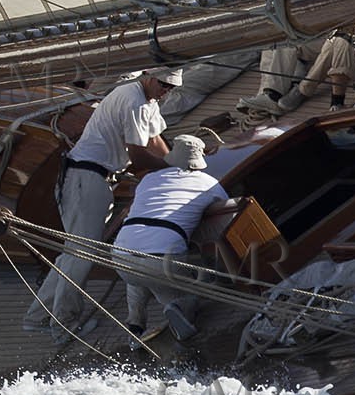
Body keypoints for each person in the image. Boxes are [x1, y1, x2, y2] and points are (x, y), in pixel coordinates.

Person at [24, 68, 178, 335]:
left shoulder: (148, 100)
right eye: (164, 84)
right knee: (83, 252)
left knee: (73, 252)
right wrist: (173, 169)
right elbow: (140, 158)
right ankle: (64, 324)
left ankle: (36, 317)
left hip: (91, 177)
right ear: (150, 77)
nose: (167, 91)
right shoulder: (134, 101)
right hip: (87, 176)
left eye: (172, 88)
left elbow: (155, 139)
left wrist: (176, 165)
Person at [111, 135, 238, 347]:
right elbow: (228, 212)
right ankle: (177, 307)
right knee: (189, 292)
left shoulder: (149, 179)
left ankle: (135, 325)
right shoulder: (208, 183)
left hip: (120, 255)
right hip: (162, 259)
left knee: (137, 271)